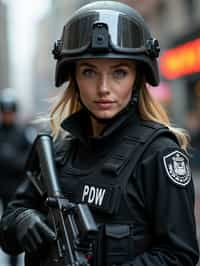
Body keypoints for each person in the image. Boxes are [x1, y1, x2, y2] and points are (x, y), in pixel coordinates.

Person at [0, 1, 199, 266]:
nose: (103, 88)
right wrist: (23, 220)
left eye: (119, 72)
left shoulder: (159, 154)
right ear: (73, 77)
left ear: (138, 77)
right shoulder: (56, 151)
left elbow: (180, 256)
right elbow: (10, 224)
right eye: (89, 71)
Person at [0, 88, 35, 266]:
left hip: (13, 190)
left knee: (11, 229)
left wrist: (10, 158)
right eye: (4, 111)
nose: (7, 115)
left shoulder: (23, 133)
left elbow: (29, 160)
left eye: (10, 111)